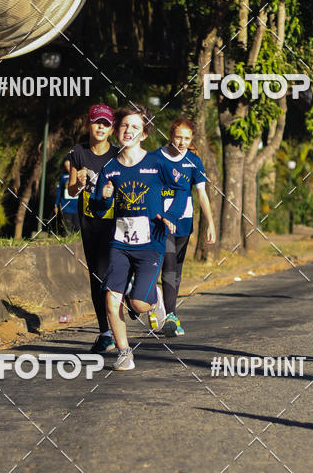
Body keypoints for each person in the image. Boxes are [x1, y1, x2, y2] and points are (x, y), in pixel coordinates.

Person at [92, 104, 189, 370]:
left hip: (151, 243)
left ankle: (153, 297)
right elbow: (98, 209)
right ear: (116, 130)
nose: (128, 131)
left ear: (143, 134)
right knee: (111, 298)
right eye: (124, 125)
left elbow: (182, 188)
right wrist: (103, 197)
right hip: (119, 244)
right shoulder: (110, 168)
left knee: (137, 302)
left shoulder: (157, 162)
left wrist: (174, 216)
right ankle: (124, 353)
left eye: (135, 127)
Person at [151, 117, 216, 336]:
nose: (182, 142)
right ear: (170, 135)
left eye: (187, 138)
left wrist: (210, 223)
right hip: (161, 221)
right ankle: (169, 315)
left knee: (176, 270)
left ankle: (171, 314)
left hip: (184, 222)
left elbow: (202, 194)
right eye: (178, 137)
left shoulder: (194, 161)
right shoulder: (156, 159)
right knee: (168, 266)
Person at [68, 104, 119, 354]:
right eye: (97, 122)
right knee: (97, 278)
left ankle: (134, 298)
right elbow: (71, 190)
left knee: (114, 273)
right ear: (88, 124)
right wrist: (78, 184)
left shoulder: (118, 155)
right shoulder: (79, 152)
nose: (101, 127)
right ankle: (105, 333)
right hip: (89, 224)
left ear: (111, 129)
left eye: (106, 124)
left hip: (115, 225)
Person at [53, 159, 80, 234]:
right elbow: (59, 191)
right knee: (67, 229)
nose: (68, 168)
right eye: (66, 166)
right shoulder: (63, 176)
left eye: (69, 166)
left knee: (78, 228)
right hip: (66, 207)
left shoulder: (79, 175)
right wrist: (56, 204)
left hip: (77, 207)